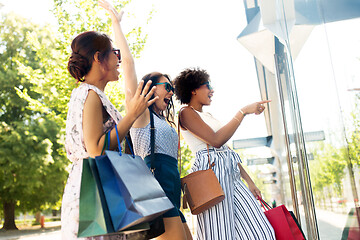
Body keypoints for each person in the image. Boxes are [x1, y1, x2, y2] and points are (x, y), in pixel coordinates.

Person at [61, 1, 158, 239]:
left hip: (95, 187)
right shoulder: (90, 94)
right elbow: (95, 149)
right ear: (98, 58)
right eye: (115, 54)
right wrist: (132, 115)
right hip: (94, 193)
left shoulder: (92, 94)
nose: (119, 60)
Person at [99, 1, 192, 239]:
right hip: (155, 188)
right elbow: (128, 65)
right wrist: (116, 23)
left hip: (170, 186)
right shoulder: (141, 113)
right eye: (167, 87)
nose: (172, 93)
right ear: (150, 87)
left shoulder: (164, 122)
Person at [173, 67, 276, 240]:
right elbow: (216, 140)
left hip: (230, 172)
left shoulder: (209, 116)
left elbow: (225, 149)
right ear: (193, 89)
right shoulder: (185, 113)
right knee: (219, 233)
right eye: (207, 85)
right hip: (211, 174)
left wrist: (249, 181)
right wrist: (243, 112)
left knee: (262, 232)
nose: (212, 90)